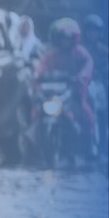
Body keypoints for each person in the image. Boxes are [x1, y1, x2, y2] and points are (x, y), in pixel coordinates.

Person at [34, 17, 96, 155]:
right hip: (56, 93)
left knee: (85, 111)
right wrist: (37, 75)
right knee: (36, 109)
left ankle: (90, 142)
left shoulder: (80, 53)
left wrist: (81, 76)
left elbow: (88, 65)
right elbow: (41, 67)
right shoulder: (53, 55)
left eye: (68, 38)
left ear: (73, 39)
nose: (65, 41)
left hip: (74, 92)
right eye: (62, 38)